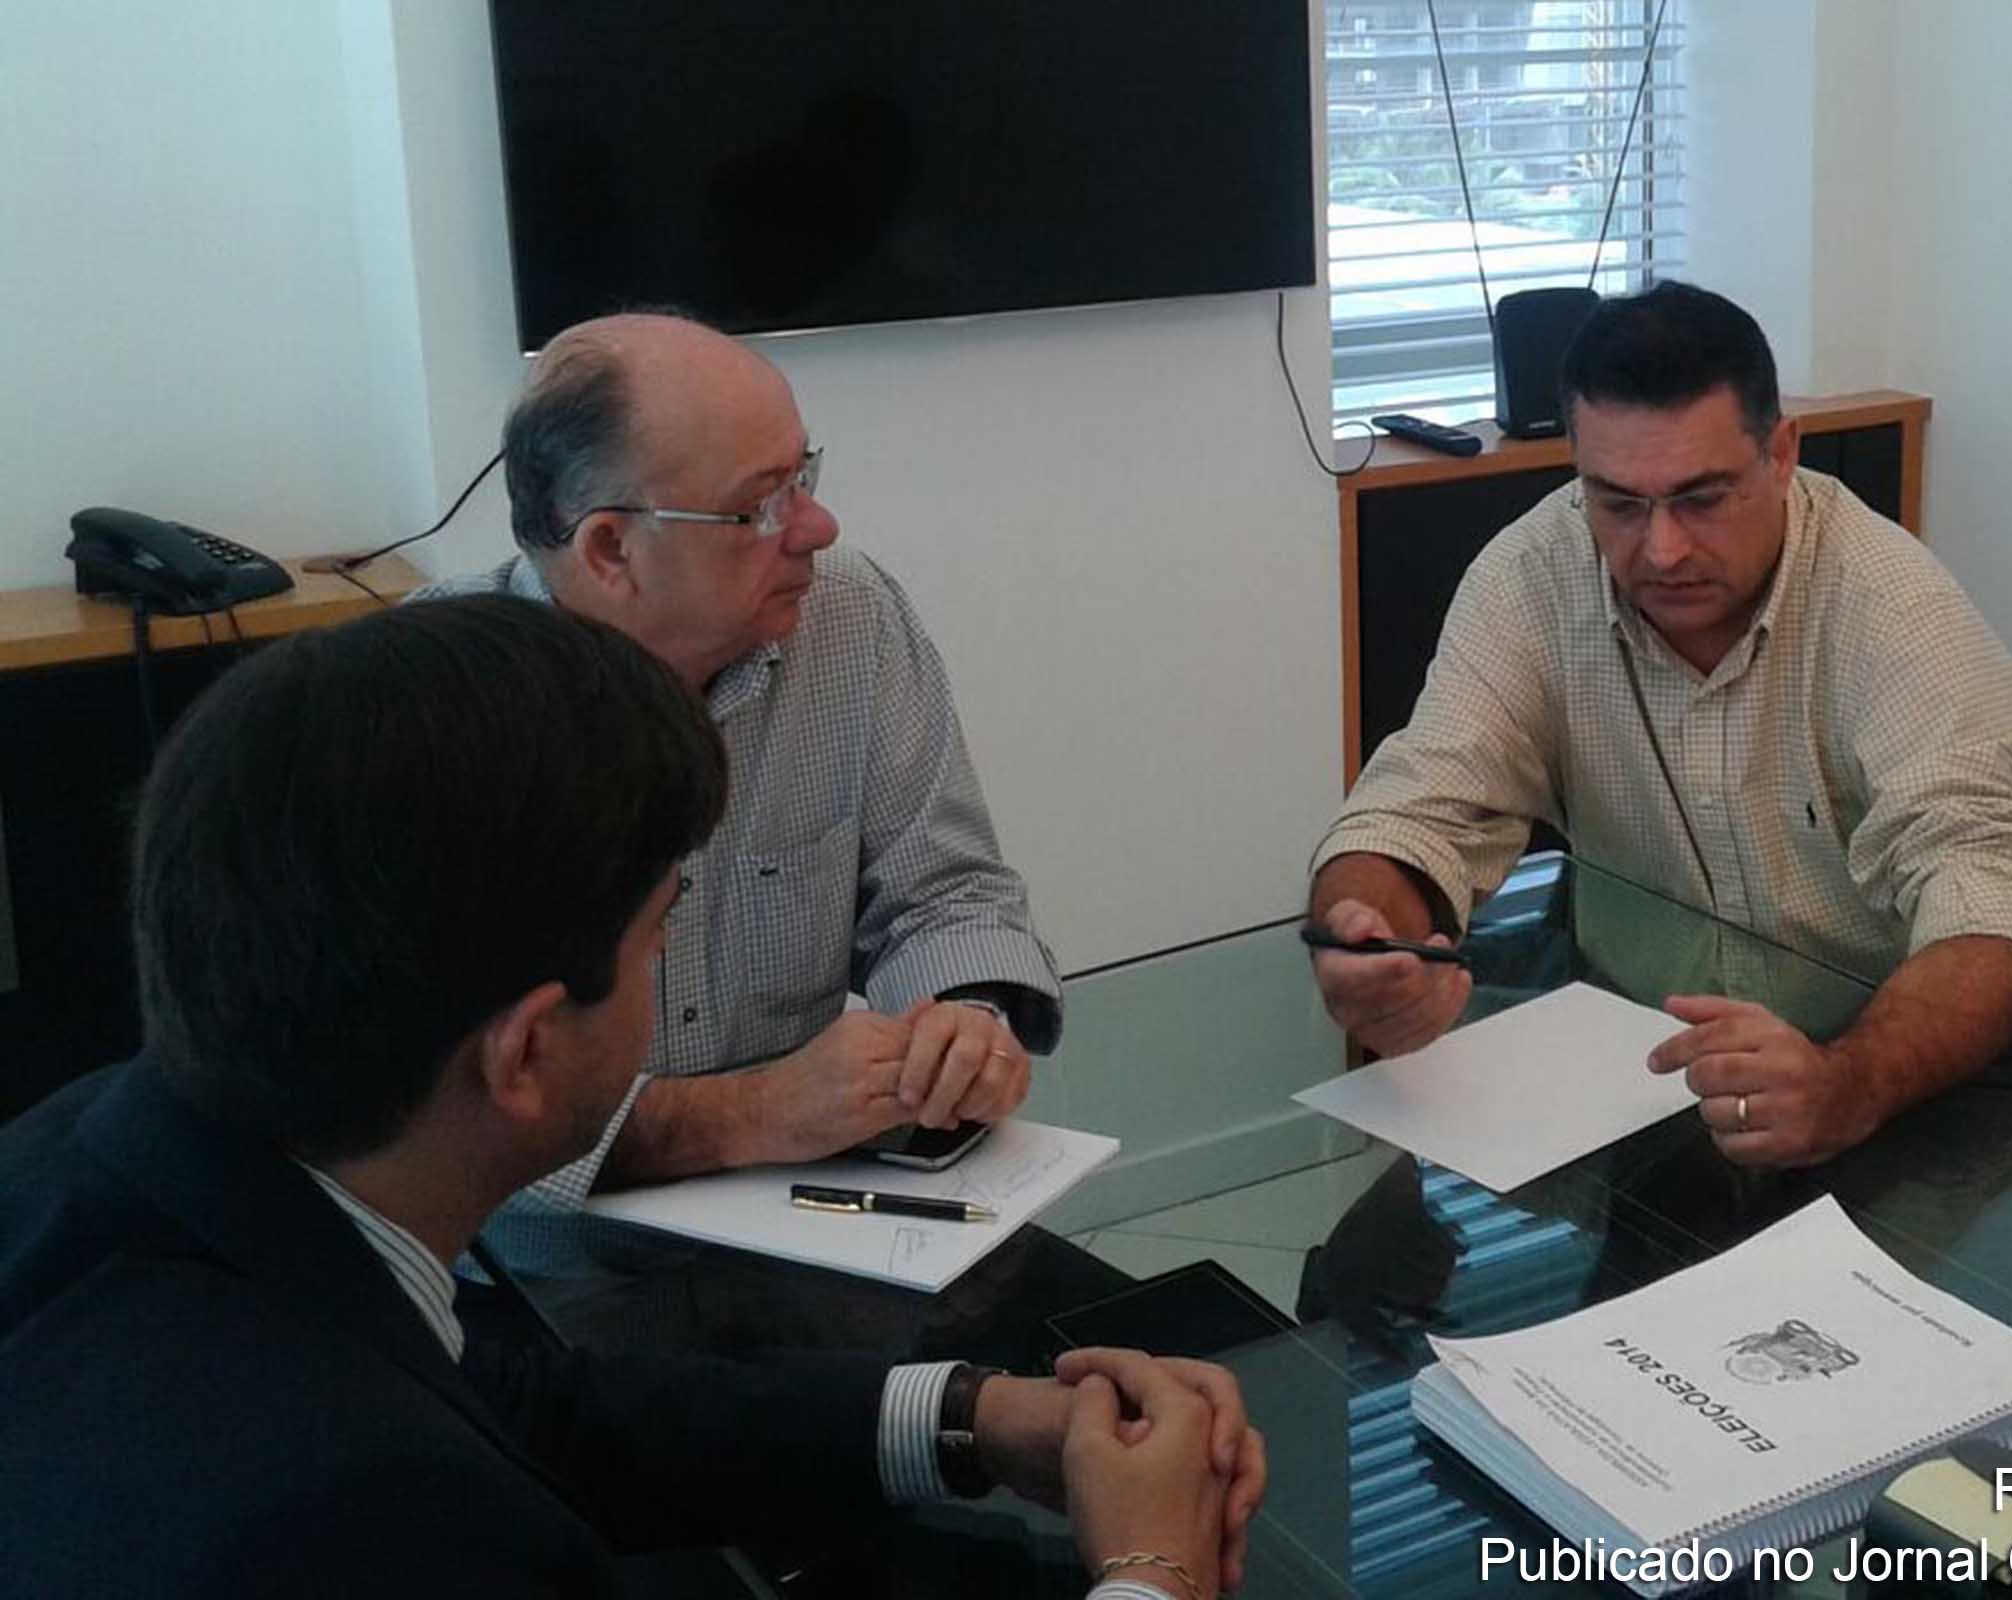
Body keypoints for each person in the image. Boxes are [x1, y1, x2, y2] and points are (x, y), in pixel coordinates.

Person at [0, 596, 1263, 1599]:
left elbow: (515, 1401)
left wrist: (979, 1419)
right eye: (663, 935)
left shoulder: (116, 1157)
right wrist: (1151, 1572)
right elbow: (424, 1463)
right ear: (529, 1050)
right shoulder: (340, 1522)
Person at [1308, 281, 2012, 1169]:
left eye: (1703, 499)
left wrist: (1849, 1083)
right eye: (1619, 504)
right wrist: (1368, 932)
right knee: (1363, 1283)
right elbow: (1419, 806)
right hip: (1637, 1072)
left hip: (1888, 1075)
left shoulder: (1887, 605)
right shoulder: (1532, 574)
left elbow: (1998, 892)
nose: (1662, 550)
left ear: (1782, 453)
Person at [418, 312, 1059, 1214]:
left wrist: (961, 1020)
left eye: (806, 476)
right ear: (610, 549)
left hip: (814, 1212)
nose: (818, 526)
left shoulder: (849, 619)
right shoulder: (428, 716)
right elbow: (425, 1119)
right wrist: (737, 1118)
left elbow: (945, 892)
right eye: (762, 504)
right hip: (539, 1269)